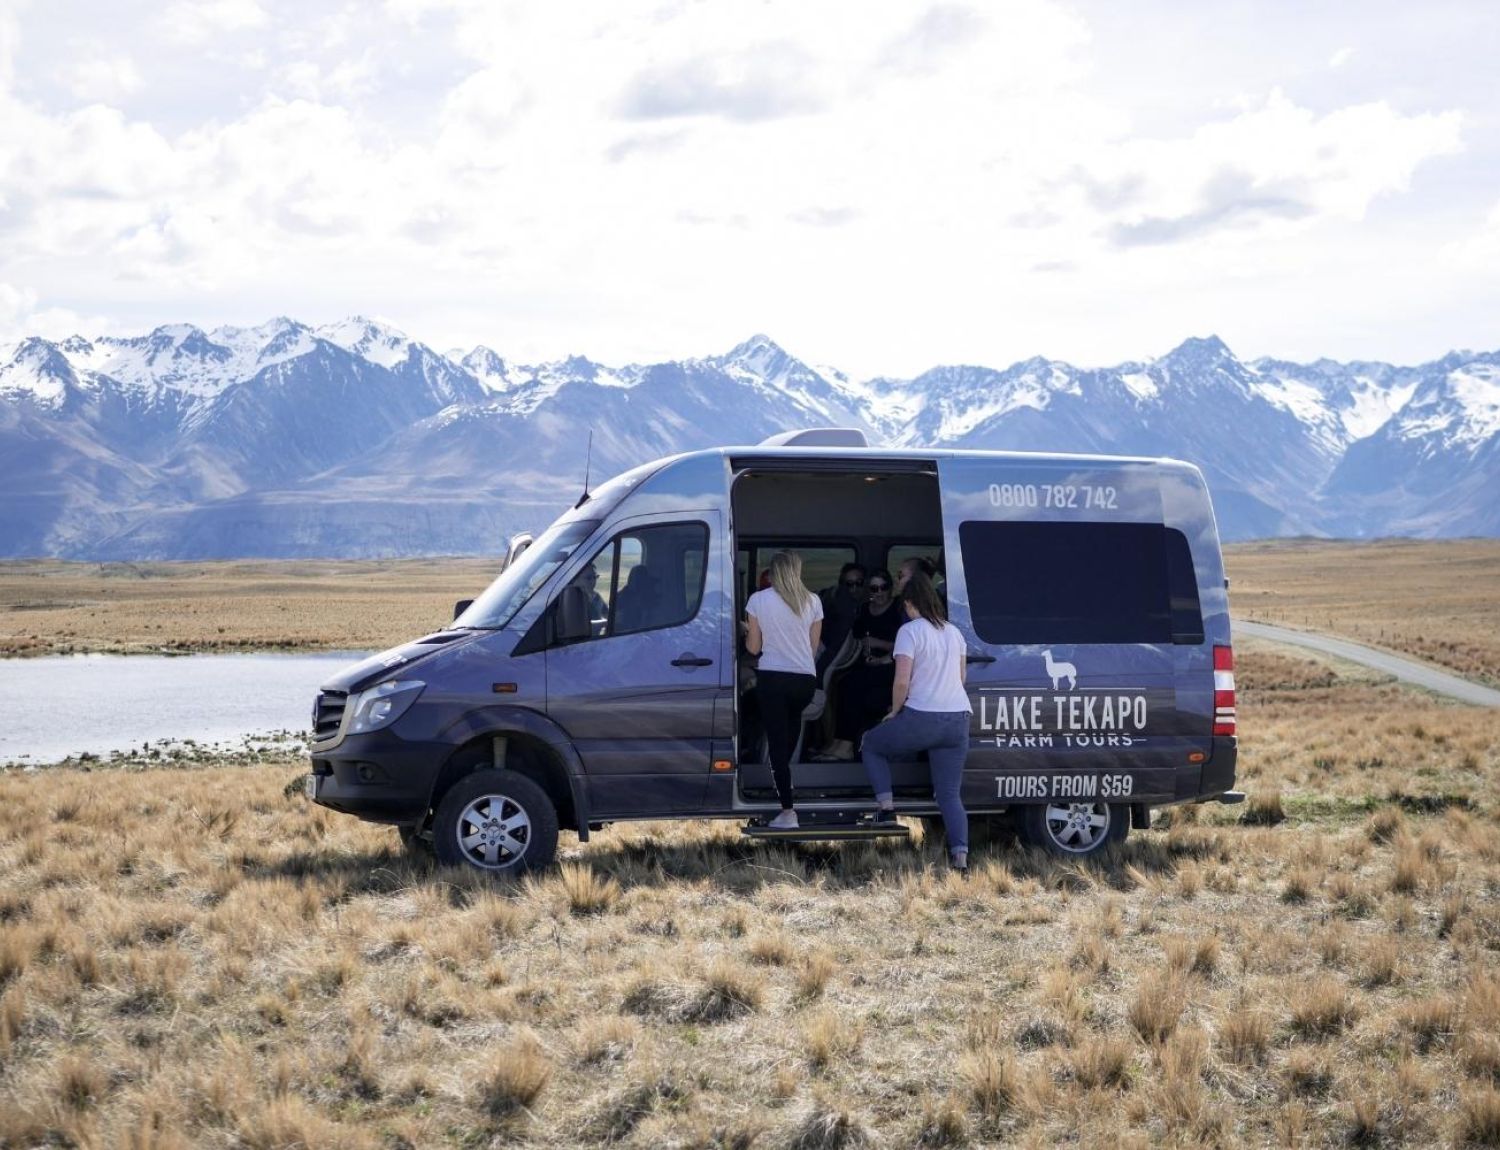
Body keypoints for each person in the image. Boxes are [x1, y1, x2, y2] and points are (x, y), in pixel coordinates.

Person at [860, 568, 973, 874]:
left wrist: (895, 712)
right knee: (949, 794)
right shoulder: (955, 632)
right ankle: (960, 859)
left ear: (910, 603)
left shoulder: (909, 632)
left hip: (923, 717)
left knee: (871, 744)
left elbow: (901, 681)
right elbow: (961, 678)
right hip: (958, 720)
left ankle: (886, 810)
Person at [745, 550, 823, 830]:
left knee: (777, 746)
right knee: (789, 738)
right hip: (804, 680)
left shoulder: (758, 600)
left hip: (773, 679)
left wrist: (749, 630)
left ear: (773, 572)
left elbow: (753, 648)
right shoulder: (813, 601)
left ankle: (788, 812)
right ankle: (785, 785)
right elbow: (812, 648)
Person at [814, 569, 901, 761]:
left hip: (893, 666)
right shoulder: (863, 610)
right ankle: (835, 742)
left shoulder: (898, 609)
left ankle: (846, 745)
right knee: (842, 682)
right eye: (873, 588)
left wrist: (881, 645)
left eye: (883, 587)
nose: (878, 592)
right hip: (867, 663)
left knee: (853, 685)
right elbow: (856, 636)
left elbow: (909, 644)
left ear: (890, 588)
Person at [816, 563, 866, 676]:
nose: (854, 588)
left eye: (859, 583)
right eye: (849, 584)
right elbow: (834, 648)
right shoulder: (842, 611)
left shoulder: (864, 608)